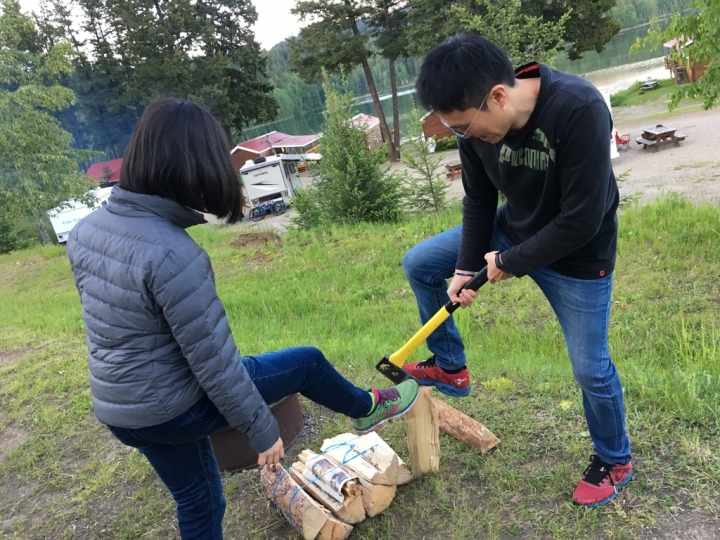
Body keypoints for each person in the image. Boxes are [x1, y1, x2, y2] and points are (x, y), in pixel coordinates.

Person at [66, 98, 419, 540]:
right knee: (306, 362)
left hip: (122, 410)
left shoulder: (86, 231)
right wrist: (261, 429)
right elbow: (214, 362)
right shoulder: (174, 255)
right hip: (174, 406)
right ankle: (368, 408)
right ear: (191, 167)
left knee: (198, 501)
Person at [401, 34, 632, 508]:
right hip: (514, 231)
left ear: (499, 96)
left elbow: (583, 219)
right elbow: (480, 200)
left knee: (590, 368)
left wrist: (507, 262)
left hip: (580, 256)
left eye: (467, 126)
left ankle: (615, 459)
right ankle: (450, 368)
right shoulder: (474, 129)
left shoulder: (577, 107)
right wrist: (467, 267)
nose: (467, 137)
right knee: (422, 264)